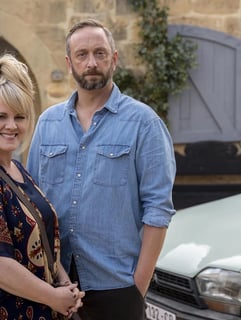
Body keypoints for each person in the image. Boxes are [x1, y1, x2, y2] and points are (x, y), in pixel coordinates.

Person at [27, 19, 176, 320]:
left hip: (117, 287)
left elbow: (158, 211)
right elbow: (32, 201)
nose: (91, 62)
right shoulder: (48, 123)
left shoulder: (144, 124)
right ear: (69, 63)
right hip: (54, 285)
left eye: (100, 53)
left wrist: (138, 287)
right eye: (82, 55)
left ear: (114, 59)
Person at [0, 53, 85, 320]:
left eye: (20, 117)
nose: (11, 126)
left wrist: (64, 284)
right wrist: (53, 297)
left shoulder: (20, 170)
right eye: (1, 116)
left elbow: (44, 236)